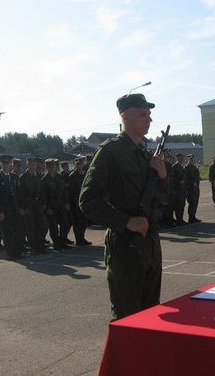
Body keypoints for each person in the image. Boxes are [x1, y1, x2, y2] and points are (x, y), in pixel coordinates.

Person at [79, 93, 167, 320]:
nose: (148, 119)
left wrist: (163, 176)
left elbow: (163, 200)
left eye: (149, 114)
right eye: (142, 114)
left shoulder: (145, 154)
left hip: (150, 244)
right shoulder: (110, 152)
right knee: (126, 317)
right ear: (125, 115)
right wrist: (126, 221)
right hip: (125, 247)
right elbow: (88, 201)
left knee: (151, 313)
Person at [0, 155, 23, 260]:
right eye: (4, 163)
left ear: (11, 164)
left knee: (18, 231)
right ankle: (10, 253)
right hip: (5, 210)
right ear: (1, 164)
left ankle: (17, 252)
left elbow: (18, 194)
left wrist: (20, 207)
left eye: (8, 163)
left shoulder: (14, 176)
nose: (6, 165)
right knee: (7, 233)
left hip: (15, 209)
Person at [19, 157, 47, 254]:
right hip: (28, 205)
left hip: (37, 204)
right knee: (31, 227)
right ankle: (34, 247)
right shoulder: (23, 177)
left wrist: (43, 203)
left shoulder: (37, 176)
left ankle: (39, 244)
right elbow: (20, 194)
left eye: (34, 164)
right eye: (30, 164)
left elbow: (42, 191)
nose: (32, 166)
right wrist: (24, 207)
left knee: (43, 225)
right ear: (27, 165)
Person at [40, 158, 70, 251]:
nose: (52, 168)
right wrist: (47, 208)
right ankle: (57, 244)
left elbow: (64, 191)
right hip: (51, 205)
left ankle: (62, 241)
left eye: (54, 166)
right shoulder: (44, 180)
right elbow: (43, 196)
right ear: (47, 167)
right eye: (50, 166)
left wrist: (66, 203)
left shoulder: (59, 177)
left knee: (65, 224)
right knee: (53, 226)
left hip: (61, 204)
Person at [67, 157, 91, 246]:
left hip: (83, 202)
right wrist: (73, 203)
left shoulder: (84, 174)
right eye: (77, 164)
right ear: (75, 165)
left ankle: (82, 238)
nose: (79, 166)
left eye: (80, 164)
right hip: (75, 203)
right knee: (77, 222)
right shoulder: (72, 176)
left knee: (84, 222)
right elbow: (70, 191)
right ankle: (79, 239)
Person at [184, 154, 201, 223]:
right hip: (191, 189)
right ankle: (191, 218)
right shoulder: (187, 167)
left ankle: (193, 217)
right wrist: (192, 183)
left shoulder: (194, 167)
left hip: (196, 188)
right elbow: (187, 178)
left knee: (195, 203)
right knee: (192, 203)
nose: (192, 160)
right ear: (188, 159)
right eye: (191, 159)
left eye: (193, 158)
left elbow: (197, 176)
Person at [172, 153, 187, 226]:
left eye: (182, 158)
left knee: (182, 205)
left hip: (182, 190)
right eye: (180, 158)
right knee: (178, 206)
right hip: (177, 190)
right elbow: (172, 178)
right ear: (177, 158)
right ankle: (179, 220)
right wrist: (179, 181)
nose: (182, 159)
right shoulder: (175, 167)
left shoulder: (182, 167)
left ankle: (181, 219)